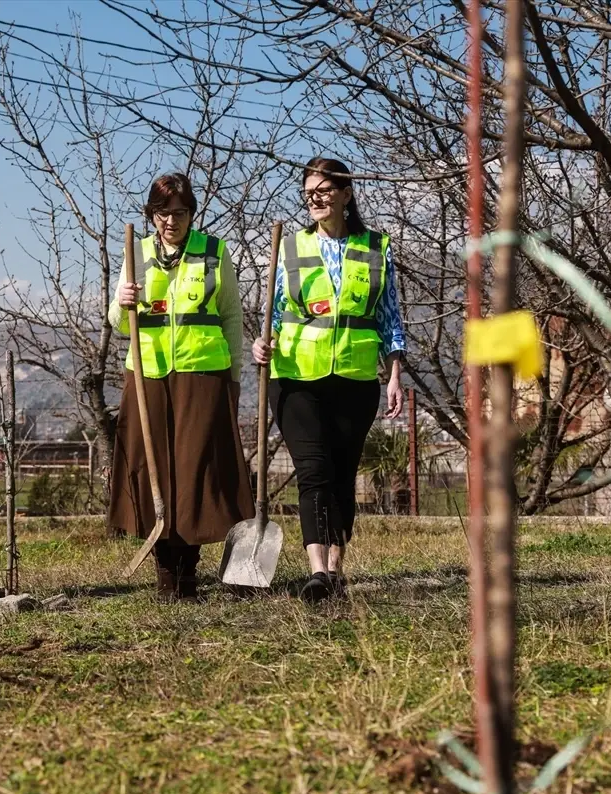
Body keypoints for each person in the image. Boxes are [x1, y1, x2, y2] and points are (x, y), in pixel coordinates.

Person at [253, 157, 406, 602]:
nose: (315, 199)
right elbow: (274, 312)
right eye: (308, 193)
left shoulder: (378, 247)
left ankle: (336, 570)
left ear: (346, 193)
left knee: (342, 474)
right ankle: (317, 571)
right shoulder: (289, 246)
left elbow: (389, 316)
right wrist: (263, 344)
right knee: (313, 471)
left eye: (324, 191)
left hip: (357, 379)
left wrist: (394, 373)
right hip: (296, 376)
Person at [107, 173, 255, 602]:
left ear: (192, 214)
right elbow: (116, 324)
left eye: (180, 212)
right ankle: (164, 571)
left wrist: (233, 377)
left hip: (202, 374)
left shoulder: (214, 252)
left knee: (193, 472)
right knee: (155, 471)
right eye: (163, 213)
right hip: (148, 373)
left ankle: (189, 569)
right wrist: (124, 301)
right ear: (151, 215)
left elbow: (231, 318)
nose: (172, 221)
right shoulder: (136, 252)